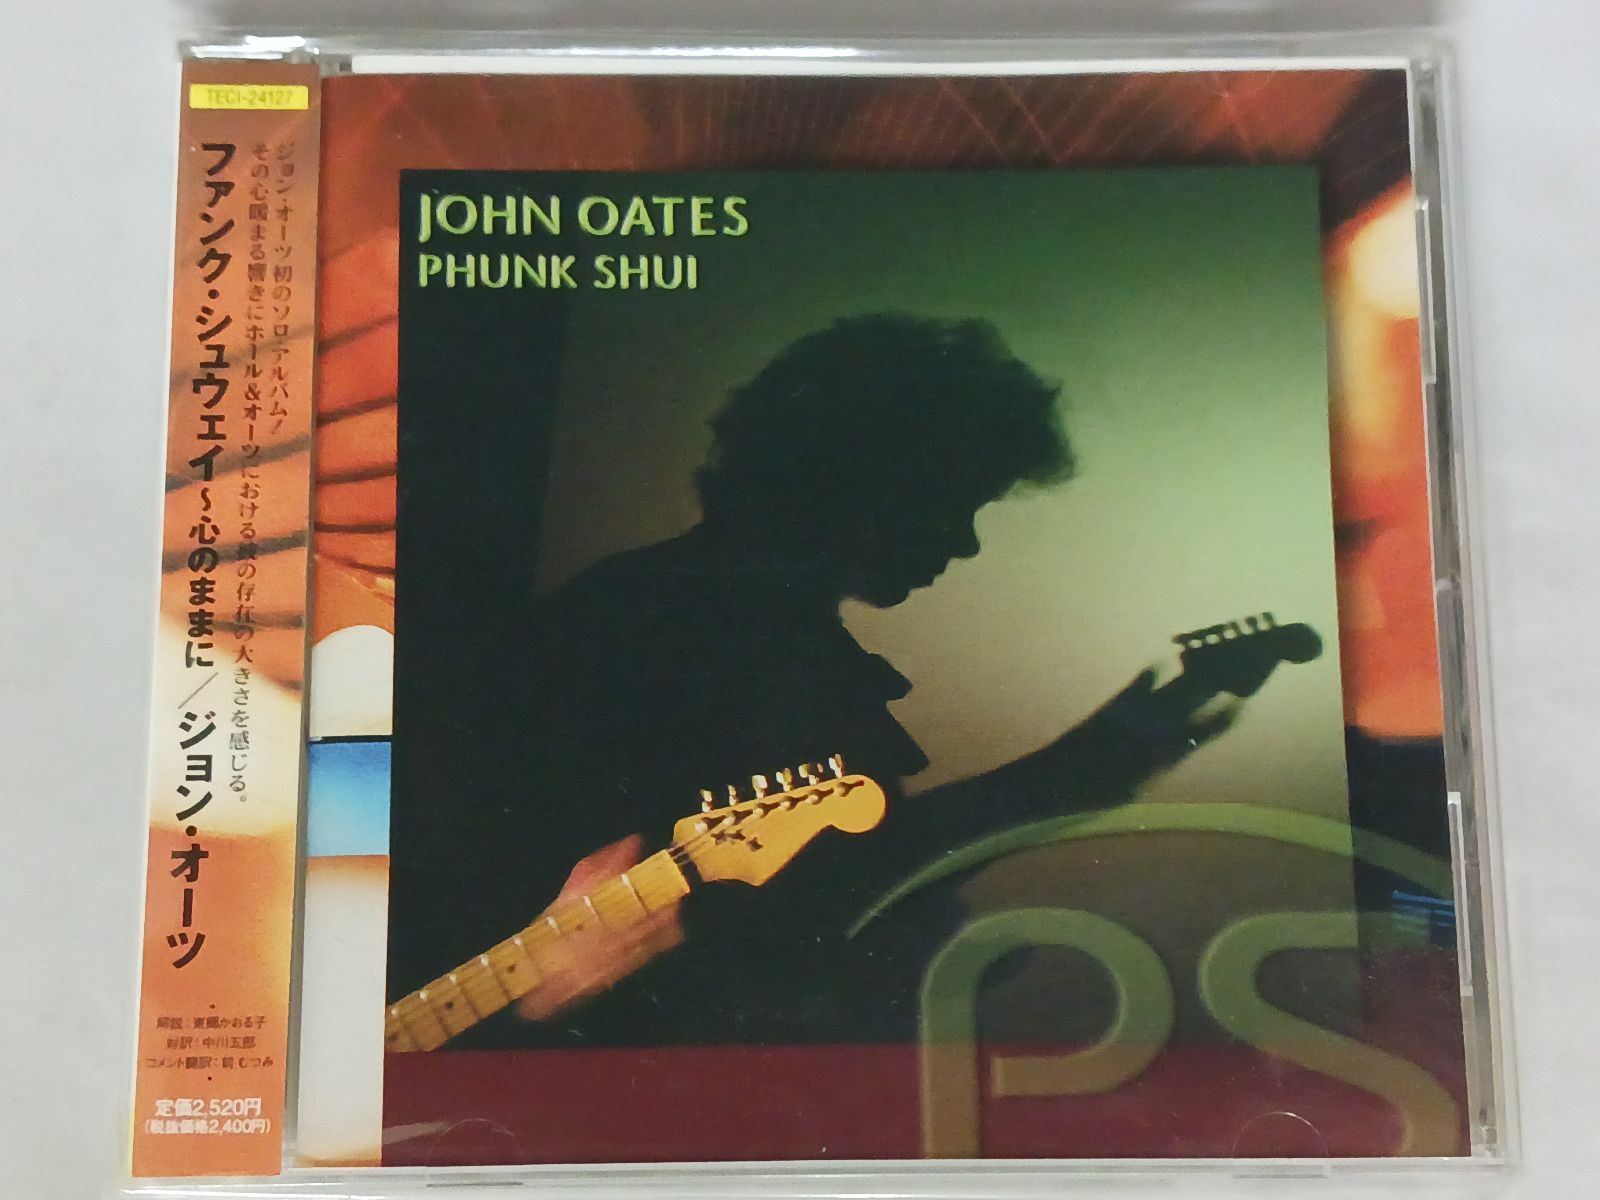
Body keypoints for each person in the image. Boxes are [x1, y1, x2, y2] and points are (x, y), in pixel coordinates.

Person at [393, 314, 1245, 1047]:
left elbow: (846, 870)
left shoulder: (735, 620)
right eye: (957, 501)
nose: (965, 542)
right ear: (863, 484)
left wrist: (1107, 756)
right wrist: (1097, 762)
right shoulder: (662, 625)